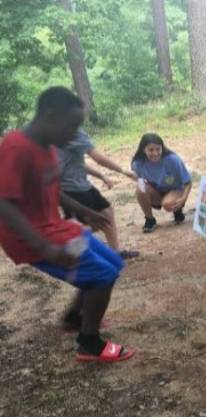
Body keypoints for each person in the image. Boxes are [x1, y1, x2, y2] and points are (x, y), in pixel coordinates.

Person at [0, 86, 134, 362]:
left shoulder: (48, 147)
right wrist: (45, 248)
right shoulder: (16, 147)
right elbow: (4, 202)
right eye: (72, 126)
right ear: (50, 116)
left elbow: (54, 189)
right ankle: (89, 343)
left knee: (113, 262)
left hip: (56, 227)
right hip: (31, 236)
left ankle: (75, 318)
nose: (75, 134)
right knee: (102, 276)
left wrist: (88, 211)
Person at [58, 128, 139, 258]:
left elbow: (75, 163)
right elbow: (99, 159)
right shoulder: (73, 132)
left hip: (71, 187)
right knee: (94, 222)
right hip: (75, 188)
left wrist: (101, 176)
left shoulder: (55, 131)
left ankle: (112, 253)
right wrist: (123, 170)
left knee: (102, 216)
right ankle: (73, 256)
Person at [131, 133, 192, 233]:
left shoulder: (173, 160)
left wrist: (183, 199)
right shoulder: (138, 164)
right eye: (151, 150)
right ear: (143, 149)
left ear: (162, 148)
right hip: (157, 192)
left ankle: (177, 210)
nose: (155, 153)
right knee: (140, 188)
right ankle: (150, 219)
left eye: (158, 149)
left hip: (175, 190)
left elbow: (188, 182)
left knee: (168, 203)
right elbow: (139, 181)